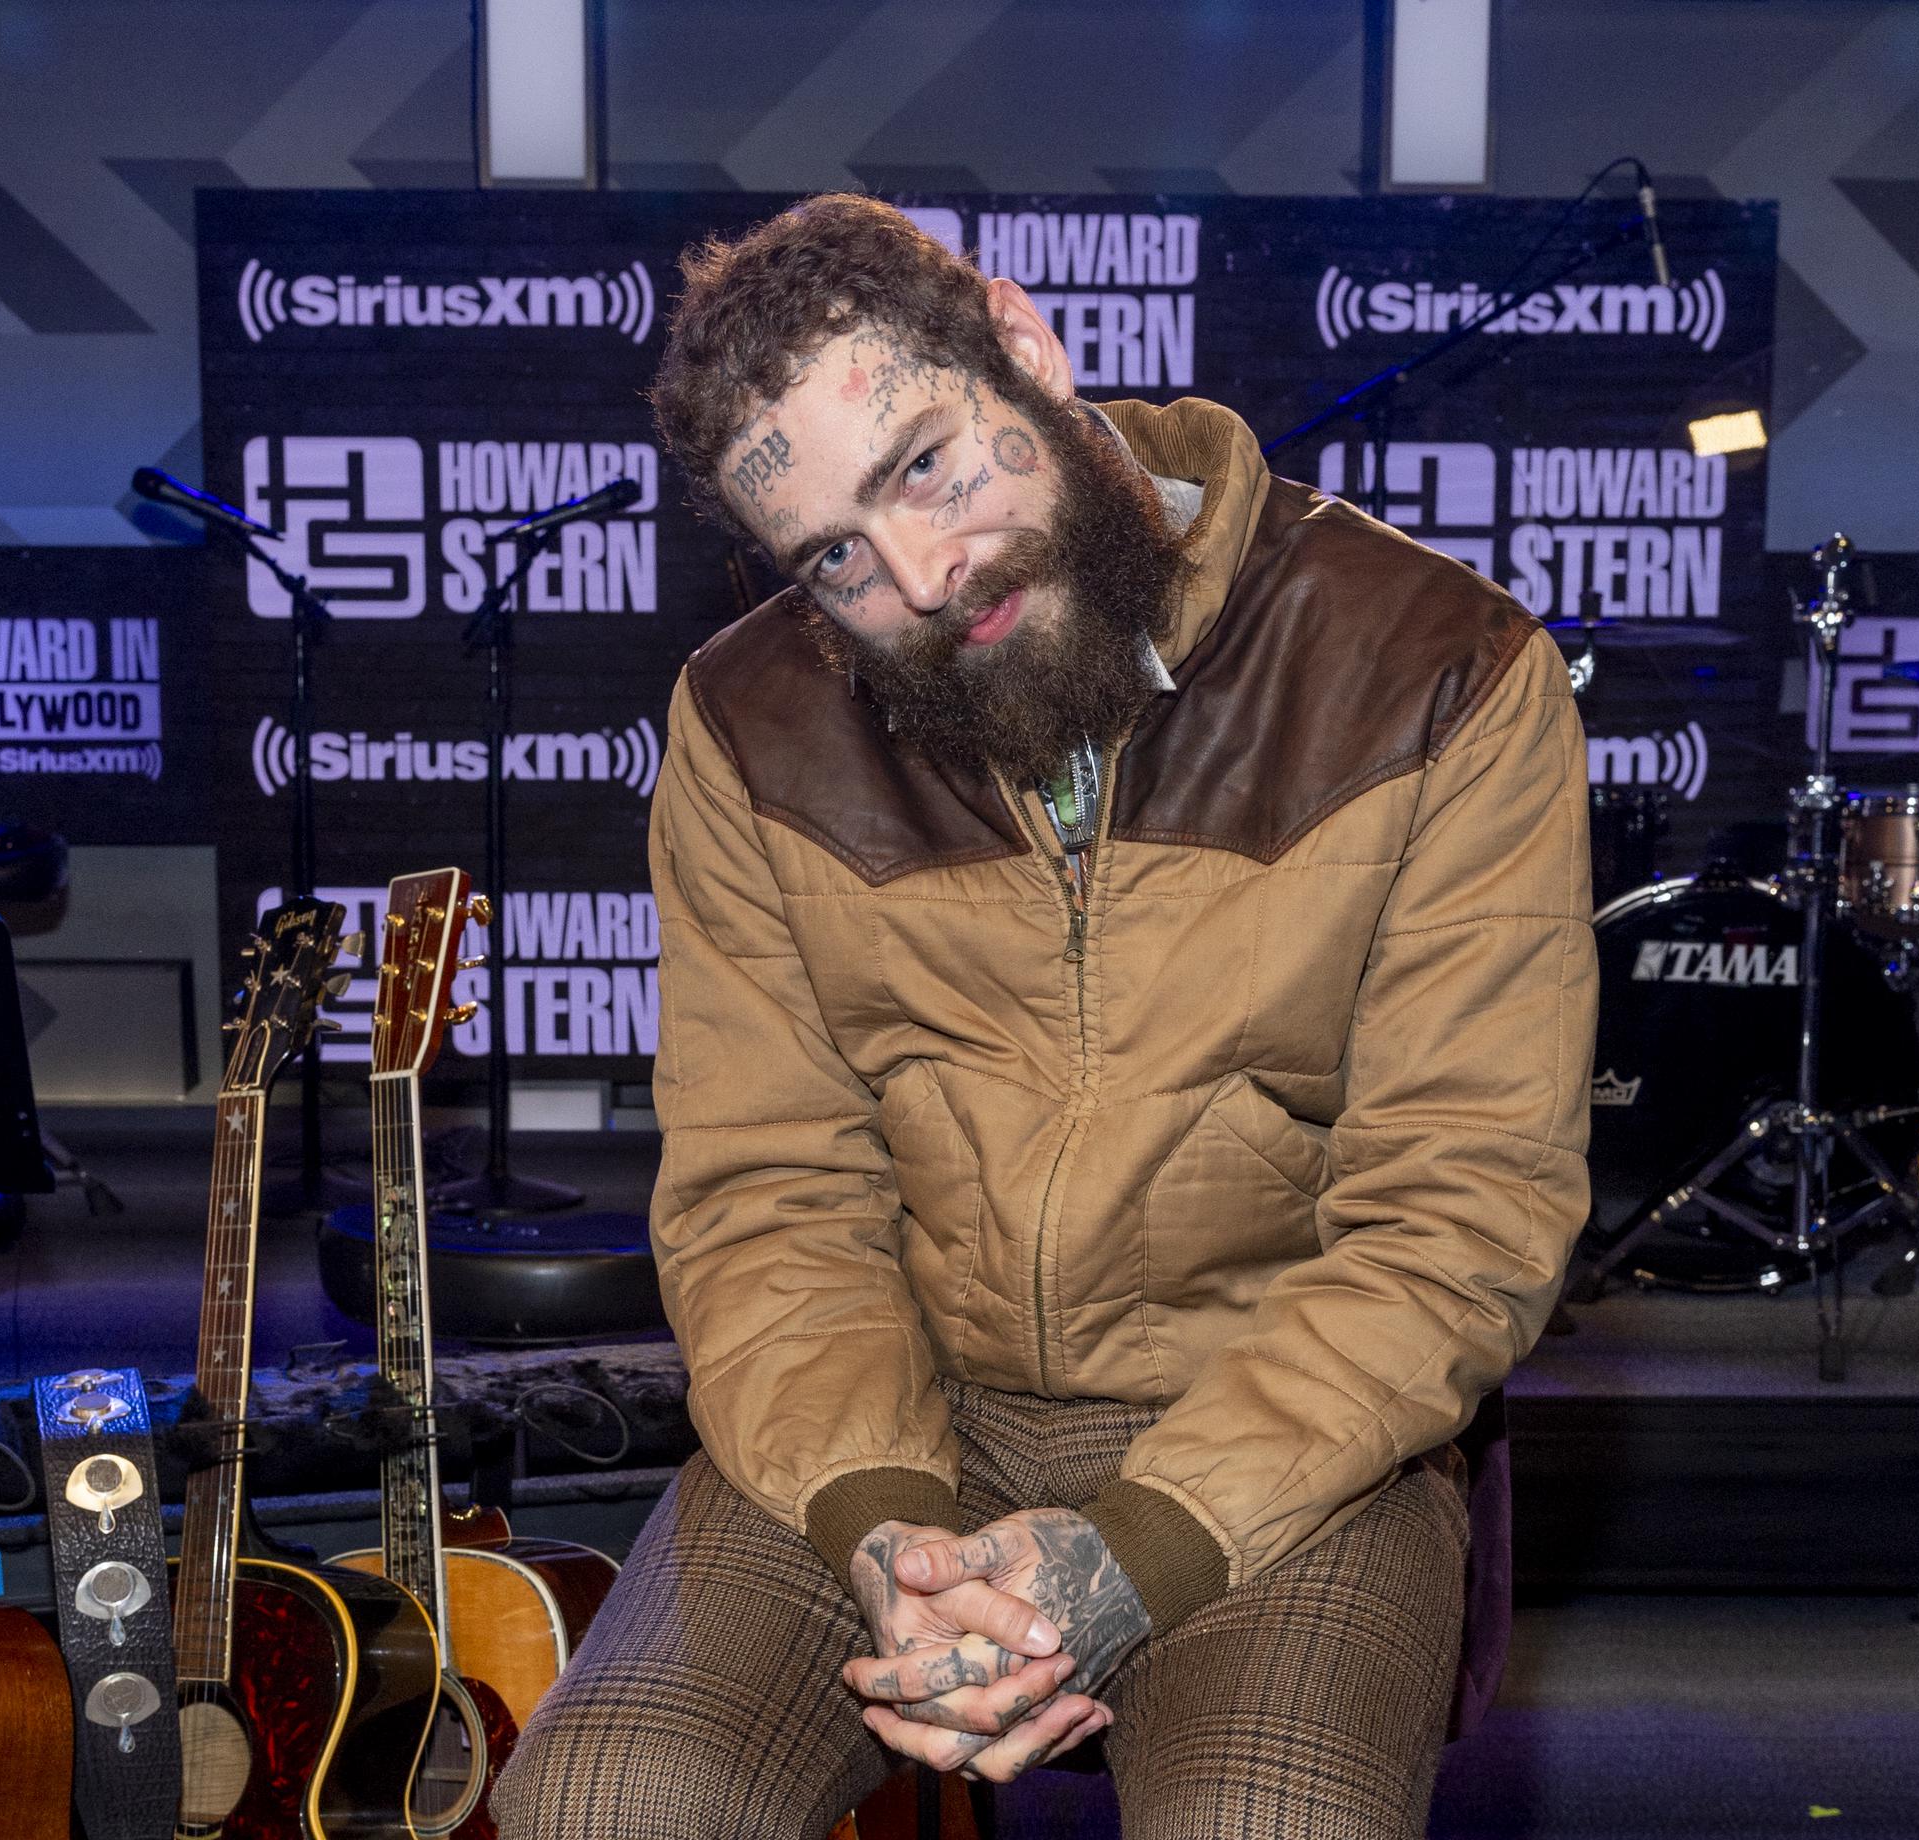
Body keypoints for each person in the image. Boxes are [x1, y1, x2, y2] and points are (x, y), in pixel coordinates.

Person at [495, 194, 1596, 1840]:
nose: (922, 577)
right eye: (834, 557)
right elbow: (768, 1195)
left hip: (1293, 1440)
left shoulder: (1441, 666)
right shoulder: (745, 722)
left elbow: (1461, 1213)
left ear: (1022, 344)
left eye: (926, 464)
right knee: (603, 1806)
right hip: (890, 1416)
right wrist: (882, 1526)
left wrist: (1139, 1546)